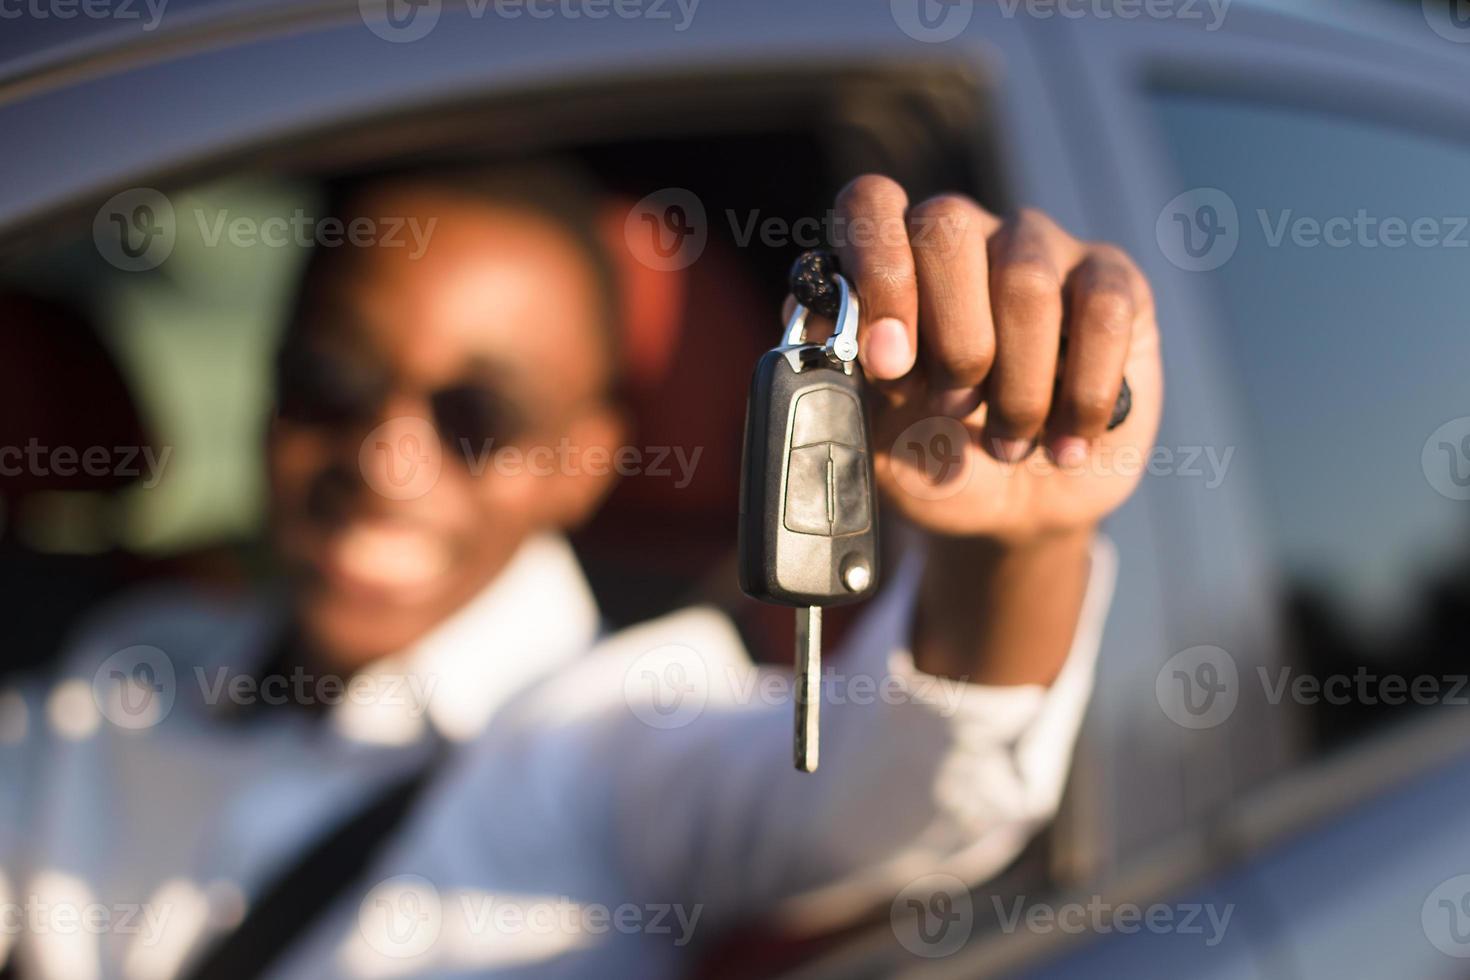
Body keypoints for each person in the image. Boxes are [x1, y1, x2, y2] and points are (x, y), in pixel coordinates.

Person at [0, 166, 1161, 979]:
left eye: (479, 416)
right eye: (332, 375)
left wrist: (1017, 545)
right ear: (266, 387)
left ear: (587, 456)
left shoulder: (630, 727)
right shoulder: (135, 659)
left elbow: (905, 797)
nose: (385, 454)